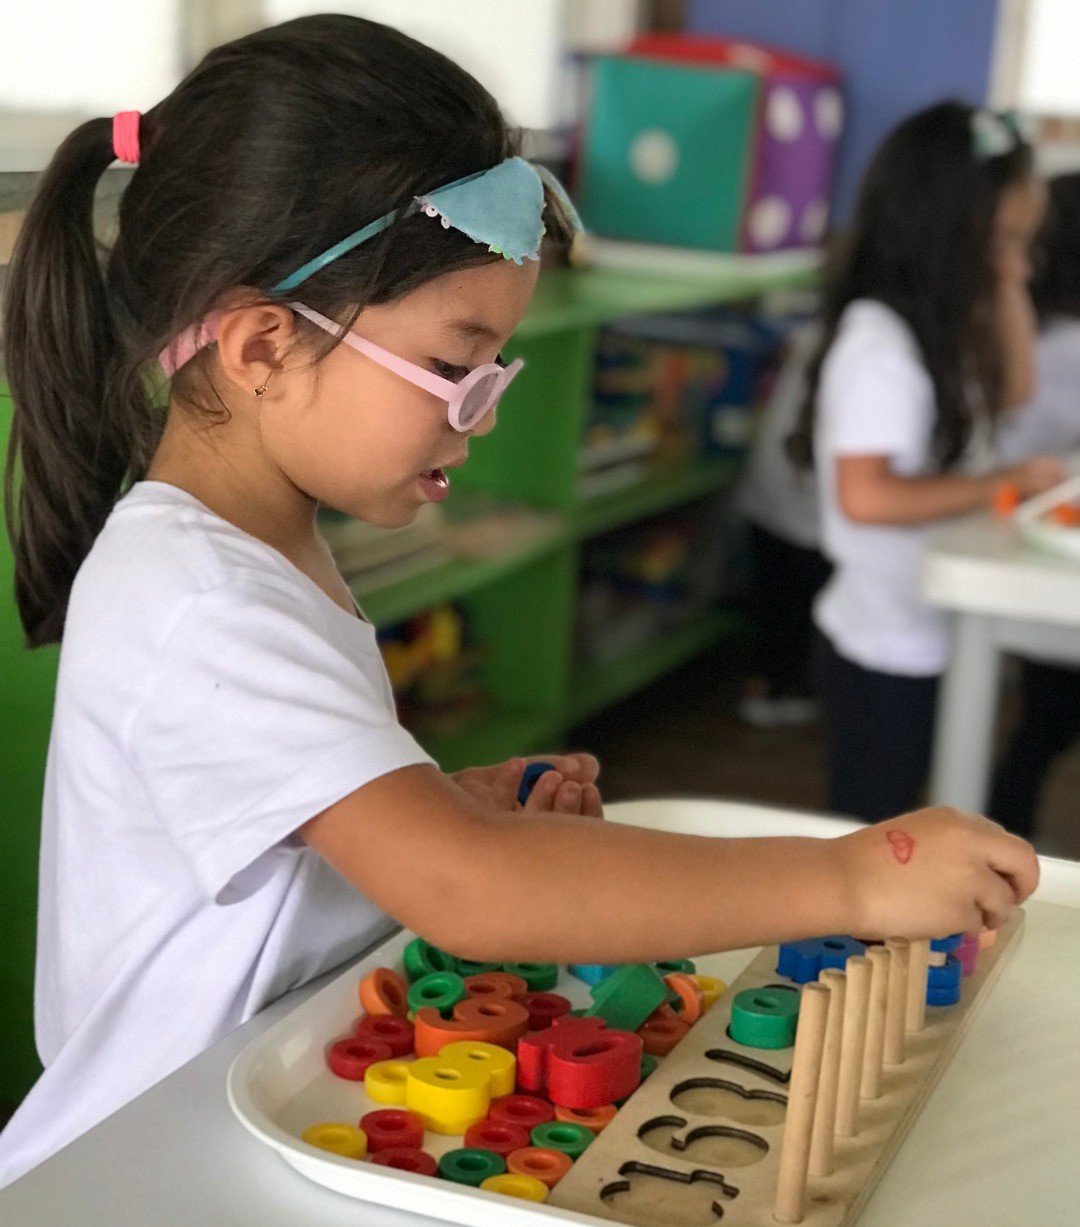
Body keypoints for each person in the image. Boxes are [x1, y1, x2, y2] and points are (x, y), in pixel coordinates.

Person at [0, 22, 1038, 1186]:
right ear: (260, 343)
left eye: (499, 369)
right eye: (455, 366)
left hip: (254, 1113)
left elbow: (260, 852)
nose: (483, 413)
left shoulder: (252, 550)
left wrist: (438, 805)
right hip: (140, 1172)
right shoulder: (200, 596)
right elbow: (468, 894)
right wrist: (856, 875)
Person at [788, 101, 1065, 822]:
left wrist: (1006, 280)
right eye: (1002, 240)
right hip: (882, 640)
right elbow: (867, 496)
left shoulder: (941, 324)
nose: (1017, 259)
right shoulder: (881, 343)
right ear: (942, 231)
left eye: (1024, 242)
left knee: (917, 814)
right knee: (873, 824)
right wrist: (999, 482)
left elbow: (1019, 387)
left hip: (926, 624)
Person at [990, 171, 1080, 840]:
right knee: (1047, 723)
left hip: (1022, 554)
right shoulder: (1059, 346)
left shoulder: (1029, 324)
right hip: (1033, 562)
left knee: (1042, 725)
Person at [735, 321, 832, 727]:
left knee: (778, 597)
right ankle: (785, 688)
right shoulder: (869, 343)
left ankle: (773, 684)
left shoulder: (816, 330)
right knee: (797, 602)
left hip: (778, 492)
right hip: (805, 499)